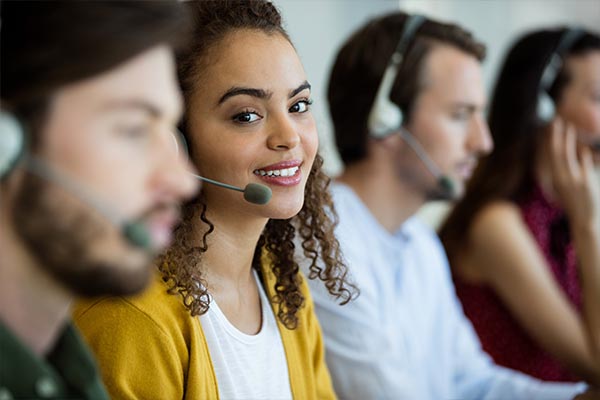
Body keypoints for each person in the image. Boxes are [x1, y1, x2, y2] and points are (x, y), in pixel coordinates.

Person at [73, 1, 356, 399]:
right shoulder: (131, 319)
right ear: (175, 140)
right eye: (247, 115)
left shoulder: (281, 286)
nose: (289, 136)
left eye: (298, 106)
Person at [306, 12, 593, 399]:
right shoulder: (322, 240)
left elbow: (473, 383)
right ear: (385, 119)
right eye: (461, 115)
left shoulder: (420, 242)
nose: (483, 142)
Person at [0, 1, 198, 399]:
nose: (183, 182)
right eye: (134, 129)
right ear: (6, 141)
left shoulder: (71, 374)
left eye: (170, 131)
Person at [439, 28, 600, 385]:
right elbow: (595, 365)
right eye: (598, 97)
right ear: (543, 111)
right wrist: (589, 225)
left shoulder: (560, 216)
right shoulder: (497, 224)